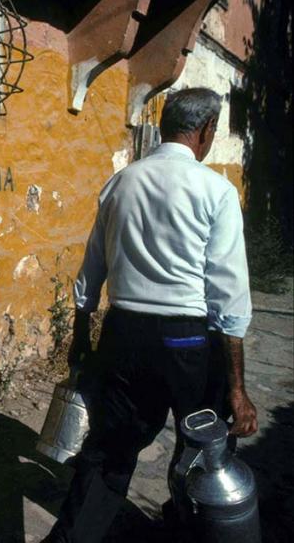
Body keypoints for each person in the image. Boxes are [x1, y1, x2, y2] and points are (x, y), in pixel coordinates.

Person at [43, 87, 258, 543]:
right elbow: (228, 292)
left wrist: (83, 335)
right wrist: (237, 387)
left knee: (110, 450)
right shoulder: (216, 191)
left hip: (123, 335)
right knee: (204, 447)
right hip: (187, 342)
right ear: (205, 132)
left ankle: (71, 538)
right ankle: (189, 524)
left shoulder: (121, 182)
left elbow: (93, 266)